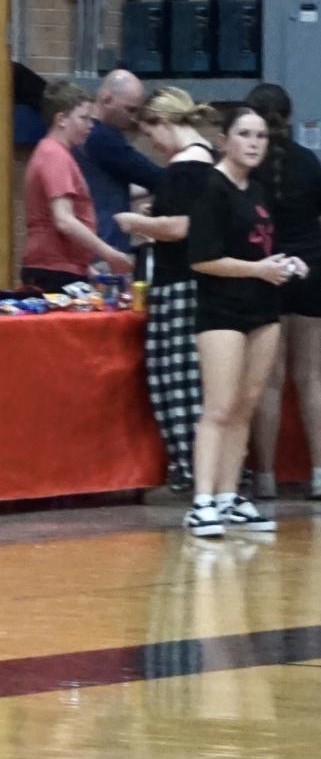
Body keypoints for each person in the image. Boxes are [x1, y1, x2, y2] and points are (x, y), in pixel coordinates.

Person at [184, 105, 307, 537]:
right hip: (222, 310)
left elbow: (260, 247)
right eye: (245, 134)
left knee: (245, 405)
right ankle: (201, 501)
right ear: (225, 140)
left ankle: (227, 495)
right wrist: (258, 270)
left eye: (261, 136)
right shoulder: (210, 188)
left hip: (263, 308)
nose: (254, 143)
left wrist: (285, 263)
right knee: (219, 406)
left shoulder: (257, 190)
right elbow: (202, 259)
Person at [114, 87, 222, 493]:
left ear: (163, 122)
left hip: (178, 285)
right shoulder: (209, 160)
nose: (154, 146)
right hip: (198, 283)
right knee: (194, 379)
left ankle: (190, 471)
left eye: (151, 134)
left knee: (175, 381)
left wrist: (136, 222)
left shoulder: (184, 168)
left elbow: (178, 226)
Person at [239, 83, 321, 501]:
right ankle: (319, 473)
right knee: (311, 378)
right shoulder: (308, 162)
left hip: (264, 272)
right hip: (311, 272)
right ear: (289, 118)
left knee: (269, 381)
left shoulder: (248, 167)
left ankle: (266, 477)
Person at [22, 80, 134, 292]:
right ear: (61, 119)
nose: (90, 125)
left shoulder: (57, 154)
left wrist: (87, 269)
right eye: (84, 118)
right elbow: (63, 219)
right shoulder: (54, 155)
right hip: (53, 269)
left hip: (60, 266)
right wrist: (109, 253)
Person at [77, 68, 161, 253]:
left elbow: (109, 185)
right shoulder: (102, 138)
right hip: (102, 245)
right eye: (130, 109)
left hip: (99, 242)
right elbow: (152, 176)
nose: (133, 118)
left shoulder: (92, 134)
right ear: (107, 99)